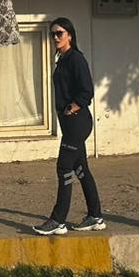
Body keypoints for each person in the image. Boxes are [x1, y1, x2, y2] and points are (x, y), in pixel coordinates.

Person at [33, 18, 105, 235]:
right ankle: (95, 216)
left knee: (64, 167)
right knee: (81, 169)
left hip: (77, 123)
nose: (56, 37)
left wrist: (71, 108)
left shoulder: (75, 59)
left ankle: (58, 221)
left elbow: (87, 92)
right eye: (53, 33)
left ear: (70, 35)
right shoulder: (62, 59)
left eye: (60, 33)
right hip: (70, 124)